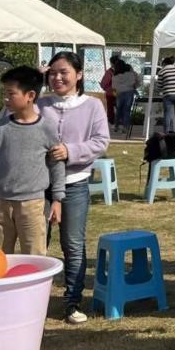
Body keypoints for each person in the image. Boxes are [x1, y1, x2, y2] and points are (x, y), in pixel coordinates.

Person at [39, 51, 110, 324]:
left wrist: (71, 151)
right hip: (39, 184)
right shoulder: (39, 104)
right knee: (37, 243)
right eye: (52, 72)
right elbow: (10, 120)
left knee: (73, 243)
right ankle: (34, 300)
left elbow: (100, 141)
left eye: (63, 72)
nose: (57, 77)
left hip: (75, 182)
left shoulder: (92, 106)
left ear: (78, 74)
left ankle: (72, 300)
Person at [0, 66, 64, 255]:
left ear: (30, 95)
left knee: (35, 258)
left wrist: (57, 199)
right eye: (5, 94)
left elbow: (56, 165)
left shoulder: (47, 128)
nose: (6, 99)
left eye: (11, 94)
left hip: (33, 205)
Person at [110, 57, 141, 134]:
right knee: (127, 111)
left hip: (119, 93)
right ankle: (125, 128)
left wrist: (115, 95)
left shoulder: (115, 76)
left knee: (118, 110)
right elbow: (137, 81)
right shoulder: (130, 74)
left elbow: (114, 87)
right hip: (129, 93)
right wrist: (134, 87)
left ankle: (116, 126)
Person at [101, 56, 117, 126]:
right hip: (121, 92)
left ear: (111, 63)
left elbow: (105, 82)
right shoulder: (123, 71)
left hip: (111, 92)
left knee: (110, 107)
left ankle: (111, 121)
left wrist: (104, 87)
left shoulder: (109, 72)